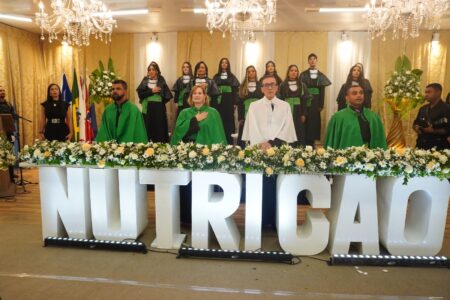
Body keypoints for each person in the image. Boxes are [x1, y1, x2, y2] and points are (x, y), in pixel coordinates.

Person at [242, 74, 297, 227]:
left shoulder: (285, 106)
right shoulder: (254, 106)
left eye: (273, 84)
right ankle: (261, 220)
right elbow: (252, 126)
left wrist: (273, 143)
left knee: (277, 185)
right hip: (259, 149)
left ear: (278, 87)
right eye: (266, 85)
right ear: (261, 88)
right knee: (262, 186)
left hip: (278, 149)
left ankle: (276, 220)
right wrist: (262, 143)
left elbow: (287, 127)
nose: (270, 87)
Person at [171, 85, 226, 224]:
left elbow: (218, 133)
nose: (197, 95)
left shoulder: (213, 112)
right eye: (194, 93)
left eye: (199, 93)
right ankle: (187, 217)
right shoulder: (184, 112)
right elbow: (178, 132)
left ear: (205, 96)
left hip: (206, 153)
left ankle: (205, 216)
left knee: (204, 186)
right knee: (188, 185)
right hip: (188, 152)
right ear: (191, 97)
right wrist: (195, 119)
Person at [325, 84, 387, 149]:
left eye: (361, 93)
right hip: (345, 157)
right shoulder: (338, 118)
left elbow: (381, 143)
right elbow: (330, 144)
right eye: (354, 93)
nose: (359, 95)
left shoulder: (374, 117)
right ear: (347, 98)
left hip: (370, 157)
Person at [299, 53, 332, 146]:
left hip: (316, 102)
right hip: (306, 101)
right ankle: (304, 143)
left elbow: (322, 91)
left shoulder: (321, 76)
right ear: (308, 61)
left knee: (314, 122)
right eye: (310, 59)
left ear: (316, 61)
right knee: (305, 120)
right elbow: (301, 90)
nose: (312, 61)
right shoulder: (303, 75)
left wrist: (321, 105)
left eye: (314, 59)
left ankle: (312, 143)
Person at [136, 61, 173, 143]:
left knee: (159, 128)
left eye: (153, 69)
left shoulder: (161, 80)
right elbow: (140, 95)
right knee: (147, 128)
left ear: (157, 71)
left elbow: (167, 96)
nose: (151, 71)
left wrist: (159, 102)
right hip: (147, 108)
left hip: (159, 109)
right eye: (149, 70)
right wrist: (152, 91)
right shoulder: (145, 80)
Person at [279, 64, 310, 146]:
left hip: (298, 111)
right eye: (291, 70)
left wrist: (304, 114)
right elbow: (280, 100)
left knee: (298, 130)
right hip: (286, 111)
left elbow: (304, 100)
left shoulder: (302, 85)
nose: (294, 72)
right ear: (288, 72)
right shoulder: (282, 85)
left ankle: (298, 149)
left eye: (295, 71)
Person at [413, 83, 450, 150]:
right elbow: (416, 122)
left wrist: (434, 131)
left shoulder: (447, 109)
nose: (426, 94)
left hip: (438, 148)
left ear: (438, 93)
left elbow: (448, 129)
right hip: (421, 145)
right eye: (425, 92)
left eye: (429, 92)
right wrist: (415, 127)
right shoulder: (423, 108)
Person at [213, 58, 240, 144]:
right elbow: (213, 90)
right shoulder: (216, 76)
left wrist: (235, 103)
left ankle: (229, 142)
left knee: (229, 121)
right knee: (219, 119)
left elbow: (235, 91)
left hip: (229, 101)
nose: (224, 64)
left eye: (226, 63)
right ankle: (218, 141)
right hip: (219, 101)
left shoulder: (232, 76)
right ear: (220, 65)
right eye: (222, 62)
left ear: (228, 65)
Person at [237, 65, 263, 147]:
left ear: (255, 73)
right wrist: (240, 117)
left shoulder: (261, 85)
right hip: (245, 113)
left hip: (259, 112)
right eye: (249, 72)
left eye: (253, 71)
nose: (251, 73)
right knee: (246, 131)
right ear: (246, 74)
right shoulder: (242, 86)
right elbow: (240, 103)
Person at [0, 85, 17, 182]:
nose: (2, 92)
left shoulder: (9, 104)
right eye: (0, 91)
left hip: (9, 132)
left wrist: (13, 119)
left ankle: (11, 175)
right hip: (0, 134)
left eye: (3, 90)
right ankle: (3, 177)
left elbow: (14, 116)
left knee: (10, 153)